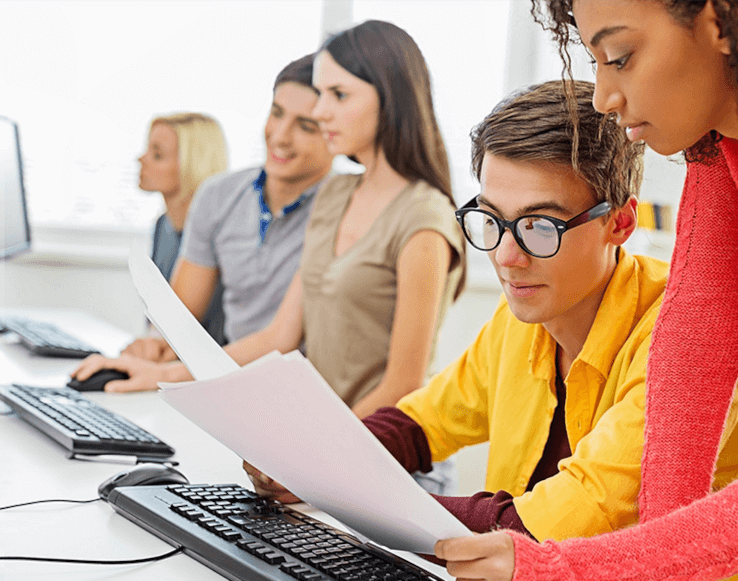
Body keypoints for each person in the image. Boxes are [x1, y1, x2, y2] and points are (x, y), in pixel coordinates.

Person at [434, 1, 738, 580]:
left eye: (620, 57)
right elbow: (694, 355)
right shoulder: (731, 135)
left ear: (723, 22)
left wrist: (557, 568)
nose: (603, 96)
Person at [247, 79, 738, 580]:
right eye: (491, 220)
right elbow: (419, 424)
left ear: (619, 223)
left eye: (539, 225)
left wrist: (344, 491)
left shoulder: (692, 337)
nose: (508, 256)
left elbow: (545, 525)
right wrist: (316, 464)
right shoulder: (527, 314)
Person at [78, 21, 466, 495]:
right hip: (315, 451)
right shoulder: (337, 195)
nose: (322, 112)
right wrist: (166, 376)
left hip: (386, 460)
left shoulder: (425, 218)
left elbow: (403, 386)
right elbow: (278, 336)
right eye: (319, 95)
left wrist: (310, 458)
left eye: (338, 96)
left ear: (390, 98)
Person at [74, 53, 334, 378]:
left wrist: (174, 374)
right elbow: (180, 319)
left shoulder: (342, 208)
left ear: (333, 131)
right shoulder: (218, 196)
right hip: (225, 379)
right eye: (276, 113)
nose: (280, 136)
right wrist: (155, 347)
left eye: (306, 126)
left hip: (296, 386)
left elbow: (282, 341)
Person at [138, 112, 228, 345]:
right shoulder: (162, 227)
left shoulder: (220, 236)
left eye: (157, 154)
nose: (141, 159)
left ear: (192, 164)